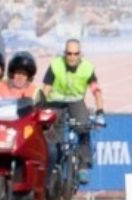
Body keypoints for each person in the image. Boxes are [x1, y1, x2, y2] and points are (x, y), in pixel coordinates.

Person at [39, 39, 105, 184]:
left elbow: (96, 91)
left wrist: (100, 112)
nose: (72, 57)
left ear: (80, 54)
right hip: (55, 102)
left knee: (84, 127)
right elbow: (46, 89)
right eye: (69, 53)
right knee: (50, 132)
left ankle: (82, 167)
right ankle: (52, 164)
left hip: (75, 102)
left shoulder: (87, 68)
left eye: (76, 53)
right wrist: (41, 107)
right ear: (64, 53)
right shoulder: (56, 65)